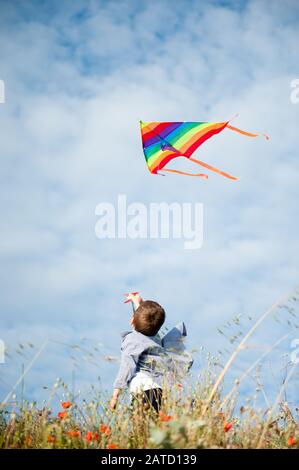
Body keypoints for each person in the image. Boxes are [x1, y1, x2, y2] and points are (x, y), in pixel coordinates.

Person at [110, 293, 193, 413]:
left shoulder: (132, 341)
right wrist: (137, 303)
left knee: (142, 429)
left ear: (132, 320)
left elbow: (127, 366)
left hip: (143, 392)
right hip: (160, 392)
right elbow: (143, 324)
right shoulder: (155, 337)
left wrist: (115, 394)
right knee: (156, 428)